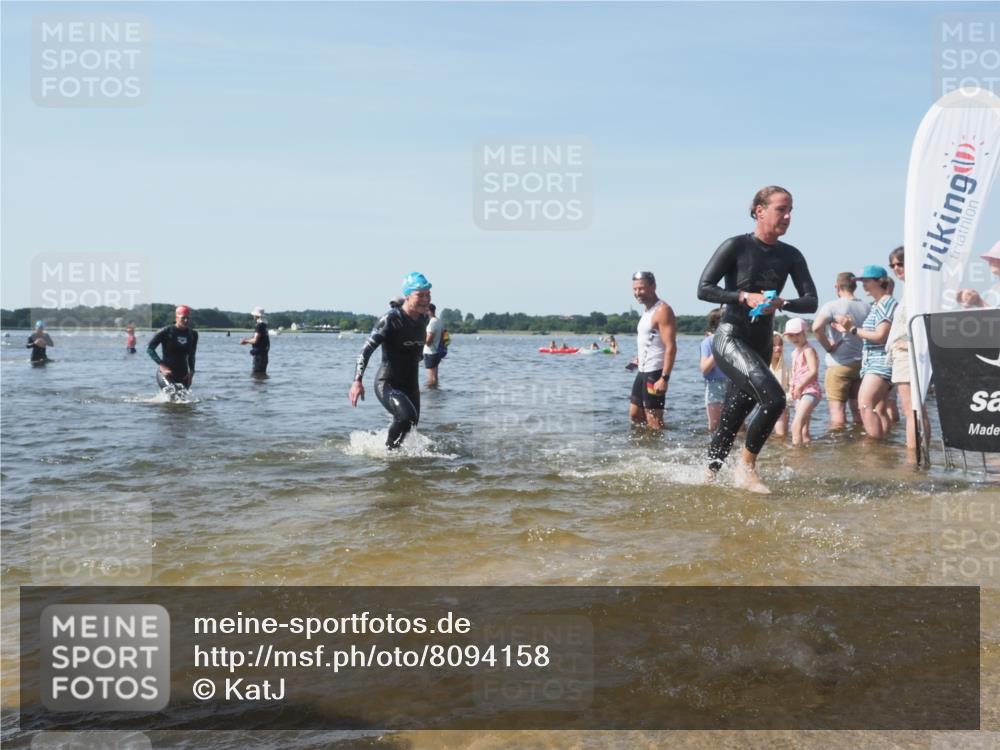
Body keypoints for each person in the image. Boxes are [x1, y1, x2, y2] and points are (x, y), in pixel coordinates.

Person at [697, 185, 817, 493]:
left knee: (733, 416)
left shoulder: (791, 255)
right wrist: (741, 296)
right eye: (781, 209)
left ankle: (707, 479)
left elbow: (811, 301)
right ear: (759, 210)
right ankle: (746, 468)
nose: (788, 216)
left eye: (791, 210)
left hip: (761, 344)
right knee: (775, 399)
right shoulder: (735, 246)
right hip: (731, 337)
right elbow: (704, 288)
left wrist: (783, 303)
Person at [349, 272, 432, 449]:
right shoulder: (390, 320)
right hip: (388, 383)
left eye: (428, 294)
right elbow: (365, 351)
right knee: (406, 416)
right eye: (420, 295)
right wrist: (357, 381)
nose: (426, 300)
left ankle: (393, 453)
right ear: (408, 296)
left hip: (411, 383)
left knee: (411, 424)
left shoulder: (424, 319)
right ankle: (389, 454)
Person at [835, 266, 897, 440]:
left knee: (865, 405)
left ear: (879, 281)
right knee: (879, 408)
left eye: (866, 281)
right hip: (876, 362)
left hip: (880, 363)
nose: (863, 285)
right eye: (862, 281)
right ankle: (884, 446)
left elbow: (880, 336)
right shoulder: (878, 304)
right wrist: (848, 329)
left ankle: (875, 449)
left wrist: (853, 329)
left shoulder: (886, 303)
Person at [885, 246, 932, 455]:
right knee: (916, 410)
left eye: (900, 263)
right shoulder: (911, 289)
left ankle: (914, 459)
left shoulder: (917, 289)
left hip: (909, 356)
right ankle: (921, 455)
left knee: (911, 411)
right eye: (893, 265)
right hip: (904, 355)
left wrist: (911, 344)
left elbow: (926, 321)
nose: (896, 268)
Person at [811, 272, 869, 428]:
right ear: (855, 286)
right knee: (859, 411)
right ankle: (861, 442)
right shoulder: (866, 306)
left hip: (839, 365)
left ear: (837, 287)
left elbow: (816, 328)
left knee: (837, 413)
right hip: (861, 365)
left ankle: (840, 447)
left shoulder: (832, 306)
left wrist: (828, 347)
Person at [628, 271, 678, 431]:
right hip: (642, 370)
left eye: (641, 288)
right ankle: (644, 446)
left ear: (653, 286)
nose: (637, 293)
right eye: (635, 289)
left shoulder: (663, 310)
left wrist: (664, 378)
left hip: (655, 372)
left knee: (654, 420)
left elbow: (671, 346)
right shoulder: (647, 311)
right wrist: (638, 358)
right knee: (635, 415)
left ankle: (658, 452)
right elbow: (651, 340)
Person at [783, 318, 821, 446]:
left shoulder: (808, 350)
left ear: (805, 332)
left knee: (795, 426)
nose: (794, 338)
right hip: (800, 392)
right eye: (791, 335)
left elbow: (813, 371)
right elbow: (796, 373)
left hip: (810, 391)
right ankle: (806, 457)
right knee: (804, 430)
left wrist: (799, 386)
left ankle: (796, 456)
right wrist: (793, 388)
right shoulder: (795, 352)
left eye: (798, 334)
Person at [147, 305, 198, 390]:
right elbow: (150, 349)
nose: (186, 320)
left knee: (182, 400)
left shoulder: (193, 334)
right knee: (173, 394)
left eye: (188, 318)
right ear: (176, 317)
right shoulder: (165, 331)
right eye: (183, 318)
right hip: (166, 373)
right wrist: (162, 365)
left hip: (184, 375)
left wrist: (192, 372)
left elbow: (192, 355)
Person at [699, 308, 729, 433]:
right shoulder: (708, 343)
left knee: (739, 426)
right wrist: (718, 346)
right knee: (715, 427)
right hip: (714, 385)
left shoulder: (737, 341)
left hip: (734, 385)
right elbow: (705, 369)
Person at [957, 240, 1000, 308]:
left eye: (995, 257)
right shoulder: (994, 289)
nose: (991, 260)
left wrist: (978, 302)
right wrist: (976, 302)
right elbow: (991, 316)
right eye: (991, 258)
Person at [769, 333, 790, 438]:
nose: (778, 348)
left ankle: (784, 454)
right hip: (768, 406)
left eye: (780, 344)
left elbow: (790, 386)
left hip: (783, 405)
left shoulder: (786, 366)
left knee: (782, 435)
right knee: (775, 435)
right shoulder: (764, 366)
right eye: (774, 345)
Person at [240, 307, 270, 375]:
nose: (253, 316)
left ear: (257, 316)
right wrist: (248, 340)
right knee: (262, 376)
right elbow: (259, 339)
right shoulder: (264, 325)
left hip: (259, 356)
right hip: (264, 355)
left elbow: (255, 340)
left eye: (254, 315)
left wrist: (245, 341)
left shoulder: (259, 326)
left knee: (256, 376)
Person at [423, 304, 445, 387]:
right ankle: (436, 391)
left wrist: (421, 340)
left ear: (428, 311)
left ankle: (431, 394)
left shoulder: (432, 323)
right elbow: (443, 336)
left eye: (425, 310)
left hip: (430, 352)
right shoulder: (439, 321)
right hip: (437, 352)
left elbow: (428, 341)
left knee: (430, 377)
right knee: (435, 376)